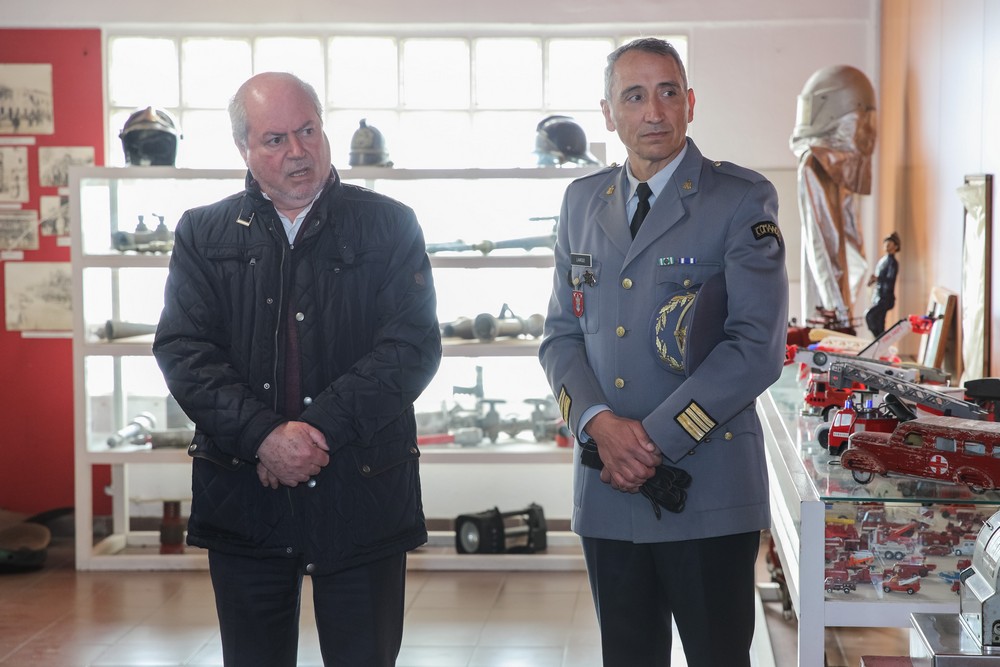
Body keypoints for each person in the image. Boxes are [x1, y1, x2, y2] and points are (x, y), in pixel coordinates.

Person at [152, 72, 442, 667]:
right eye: (276, 139)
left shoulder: (389, 225)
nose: (298, 152)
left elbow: (411, 346)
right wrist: (263, 437)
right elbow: (185, 350)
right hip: (244, 497)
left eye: (308, 131)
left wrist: (313, 434)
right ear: (244, 150)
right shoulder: (203, 234)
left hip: (360, 493)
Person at [538, 38, 788, 667]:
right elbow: (560, 337)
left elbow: (756, 347)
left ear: (690, 103)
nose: (654, 111)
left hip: (705, 487)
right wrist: (597, 425)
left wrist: (649, 441)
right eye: (635, 95)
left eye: (668, 92)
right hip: (607, 492)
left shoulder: (739, 199)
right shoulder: (580, 203)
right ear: (608, 113)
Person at [790, 64, 877, 326]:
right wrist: (838, 314)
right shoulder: (815, 163)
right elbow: (822, 244)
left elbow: (843, 243)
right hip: (830, 317)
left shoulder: (832, 165)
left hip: (836, 314)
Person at [864, 231, 901, 336]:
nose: (887, 246)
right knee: (879, 322)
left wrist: (878, 278)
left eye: (890, 244)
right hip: (879, 296)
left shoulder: (893, 263)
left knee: (870, 316)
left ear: (895, 246)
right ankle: (879, 339)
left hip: (886, 297)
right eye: (886, 243)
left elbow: (890, 279)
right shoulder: (883, 261)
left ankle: (880, 338)